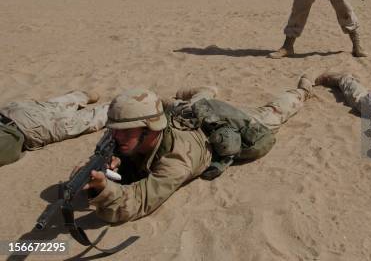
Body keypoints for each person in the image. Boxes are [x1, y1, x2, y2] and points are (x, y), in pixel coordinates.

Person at [84, 75, 313, 223]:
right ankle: (206, 89)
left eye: (125, 130)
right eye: (115, 129)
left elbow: (138, 202)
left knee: (272, 113)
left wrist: (105, 190)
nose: (116, 135)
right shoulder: (131, 135)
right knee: (194, 103)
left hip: (217, 122)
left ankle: (302, 90)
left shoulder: (176, 160)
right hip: (188, 113)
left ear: (150, 130)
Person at [0, 90, 106, 166]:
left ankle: (111, 107)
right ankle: (81, 96)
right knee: (54, 105)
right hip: (11, 111)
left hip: (31, 129)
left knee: (90, 120)